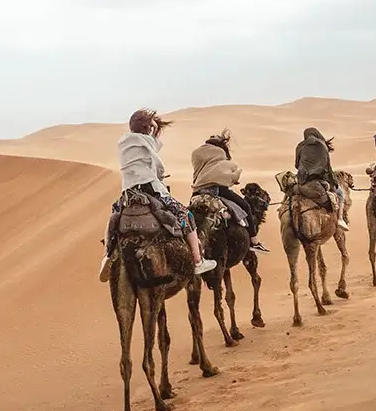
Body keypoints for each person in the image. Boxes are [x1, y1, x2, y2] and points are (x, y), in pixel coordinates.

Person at [98, 109, 217, 282]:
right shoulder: (145, 141)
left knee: (115, 216)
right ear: (147, 127)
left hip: (128, 191)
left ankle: (107, 255)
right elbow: (158, 165)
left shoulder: (123, 143)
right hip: (150, 187)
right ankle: (198, 261)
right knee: (187, 215)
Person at [191, 130, 269, 253]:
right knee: (245, 206)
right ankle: (254, 241)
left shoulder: (196, 154)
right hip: (217, 190)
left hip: (197, 191)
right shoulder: (220, 153)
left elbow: (203, 172)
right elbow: (227, 174)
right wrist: (233, 177)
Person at [294, 127, 349, 231]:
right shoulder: (322, 145)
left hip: (301, 182)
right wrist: (335, 182)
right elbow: (327, 167)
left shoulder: (300, 146)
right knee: (340, 194)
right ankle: (341, 219)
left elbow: (297, 165)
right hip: (318, 181)